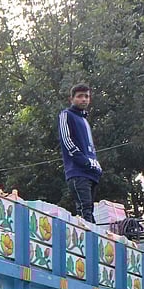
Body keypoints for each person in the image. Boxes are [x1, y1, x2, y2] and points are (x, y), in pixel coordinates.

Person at [58, 84, 102, 221]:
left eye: (87, 96)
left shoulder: (84, 120)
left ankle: (92, 238)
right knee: (85, 210)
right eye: (80, 96)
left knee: (89, 210)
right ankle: (88, 241)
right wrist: (82, 160)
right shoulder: (66, 115)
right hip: (78, 171)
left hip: (92, 172)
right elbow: (66, 140)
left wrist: (97, 166)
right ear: (71, 99)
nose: (84, 99)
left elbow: (90, 147)